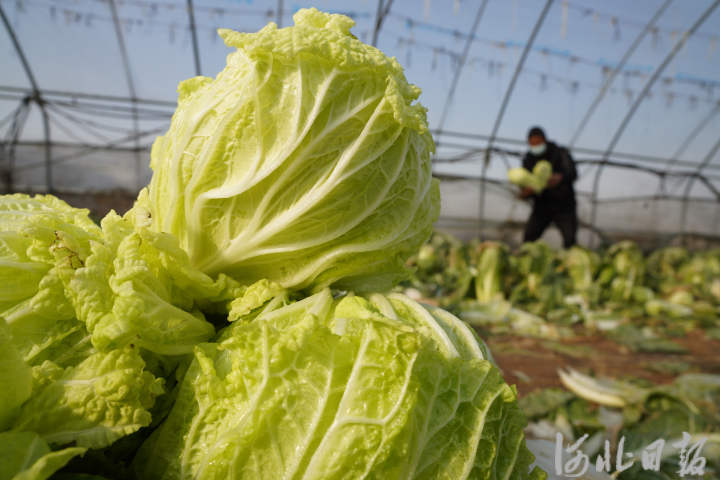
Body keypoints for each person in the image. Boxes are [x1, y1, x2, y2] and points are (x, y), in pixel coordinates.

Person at [519, 126, 579, 248]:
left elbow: (572, 173)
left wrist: (560, 178)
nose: (536, 146)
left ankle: (569, 262)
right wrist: (527, 191)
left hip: (564, 206)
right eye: (532, 144)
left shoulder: (560, 153)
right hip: (542, 206)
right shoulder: (529, 159)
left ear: (544, 140)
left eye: (538, 143)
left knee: (569, 239)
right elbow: (525, 182)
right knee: (529, 238)